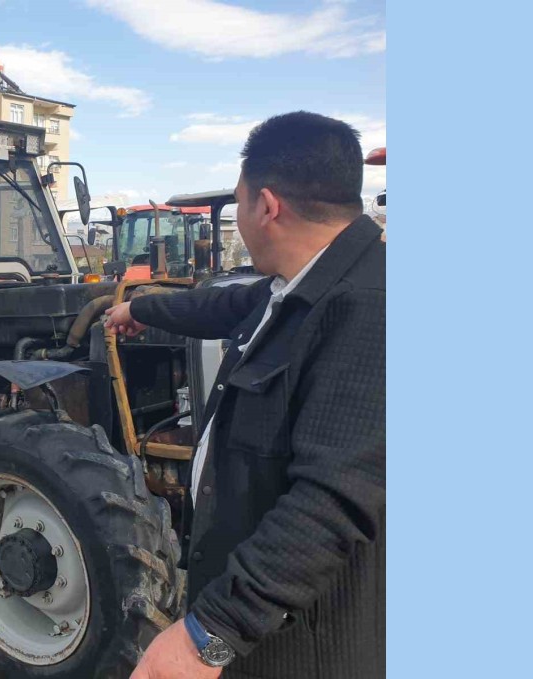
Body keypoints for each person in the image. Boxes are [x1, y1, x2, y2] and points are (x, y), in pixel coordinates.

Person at [105, 112, 385, 679]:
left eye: (239, 202)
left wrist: (210, 634)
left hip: (307, 644)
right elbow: (220, 306)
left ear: (267, 206)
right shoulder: (295, 285)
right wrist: (137, 308)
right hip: (265, 627)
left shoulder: (373, 308)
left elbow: (331, 502)